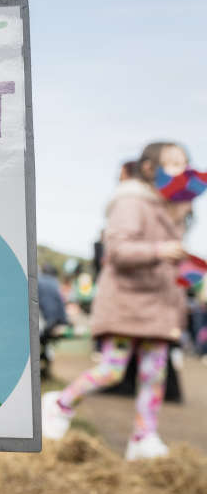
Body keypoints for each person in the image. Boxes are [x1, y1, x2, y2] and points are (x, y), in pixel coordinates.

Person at [42, 142, 192, 460]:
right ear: (150, 167)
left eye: (184, 163)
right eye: (173, 162)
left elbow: (173, 263)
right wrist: (159, 250)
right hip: (127, 302)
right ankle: (60, 404)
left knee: (154, 375)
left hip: (160, 306)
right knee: (111, 370)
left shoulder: (174, 208)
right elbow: (119, 251)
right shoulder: (130, 200)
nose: (181, 169)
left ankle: (143, 436)